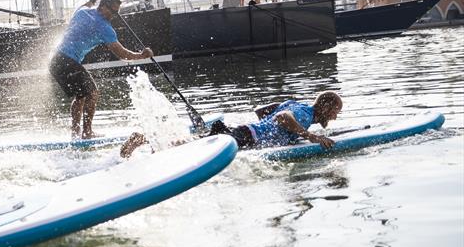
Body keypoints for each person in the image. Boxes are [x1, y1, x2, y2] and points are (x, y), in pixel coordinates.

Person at [49, 0, 153, 139]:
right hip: (66, 60)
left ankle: (75, 133)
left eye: (117, 12)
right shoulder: (104, 27)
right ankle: (87, 133)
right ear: (103, 7)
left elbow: (85, 5)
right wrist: (141, 56)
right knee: (92, 93)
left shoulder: (82, 12)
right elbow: (122, 54)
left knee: (81, 95)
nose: (115, 15)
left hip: (54, 61)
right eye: (113, 11)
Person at [120, 91, 343, 158]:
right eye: (335, 111)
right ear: (325, 106)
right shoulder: (304, 115)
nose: (335, 116)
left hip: (246, 132)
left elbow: (263, 111)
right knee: (192, 147)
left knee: (195, 144)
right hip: (248, 136)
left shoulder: (298, 104)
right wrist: (312, 138)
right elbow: (282, 117)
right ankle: (144, 138)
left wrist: (269, 129)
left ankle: (149, 140)